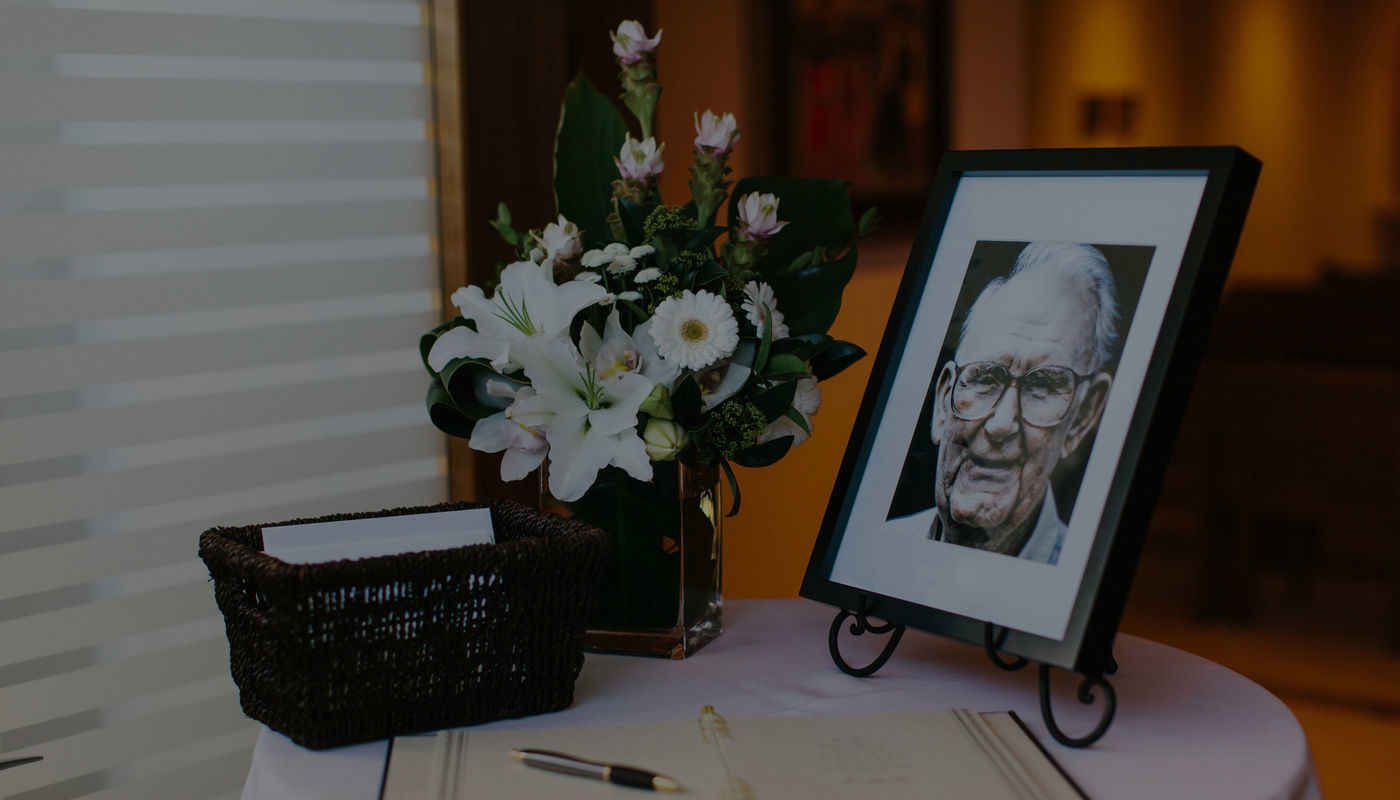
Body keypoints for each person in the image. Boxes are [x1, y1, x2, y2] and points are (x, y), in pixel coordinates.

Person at [928, 242, 1119, 565]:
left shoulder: (1078, 579)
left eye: (1042, 387)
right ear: (944, 403)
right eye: (986, 379)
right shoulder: (877, 555)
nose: (1002, 424)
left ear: (1082, 418)